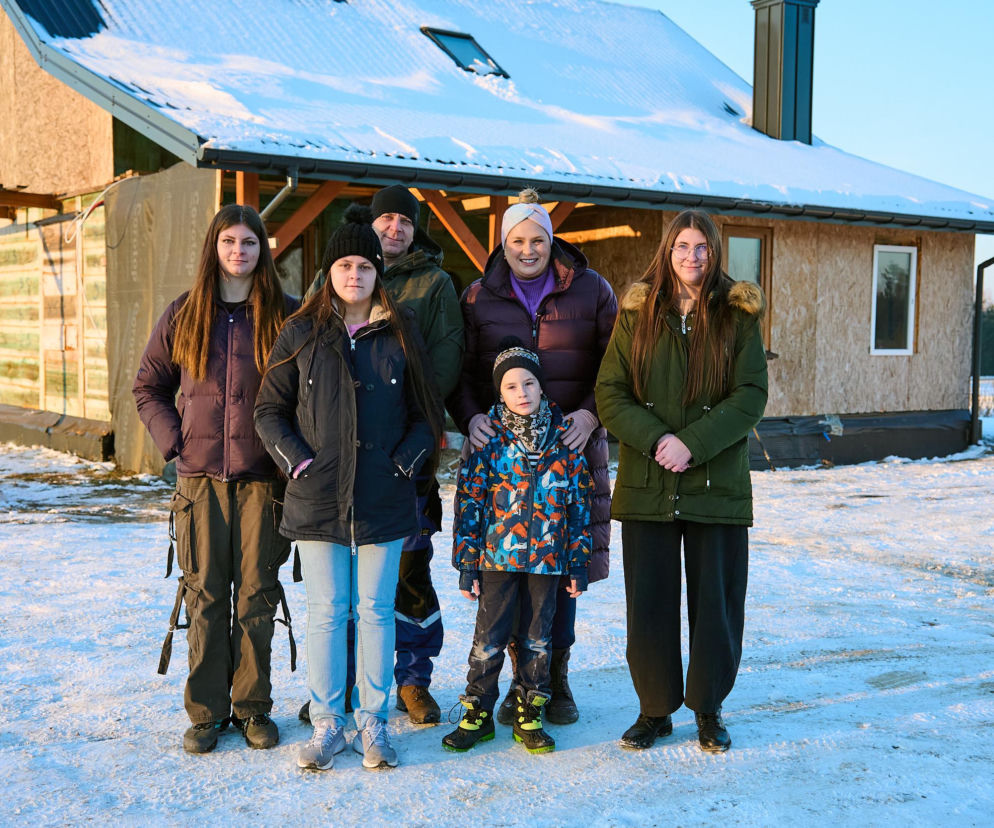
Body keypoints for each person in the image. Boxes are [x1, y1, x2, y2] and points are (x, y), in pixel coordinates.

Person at [254, 207, 441, 771]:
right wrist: (298, 462)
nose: (354, 274)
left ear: (376, 271)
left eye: (364, 264)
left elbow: (424, 416)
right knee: (329, 612)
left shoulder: (400, 329)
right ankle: (328, 723)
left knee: (376, 611)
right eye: (344, 264)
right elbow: (268, 410)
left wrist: (402, 465)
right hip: (318, 495)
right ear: (329, 272)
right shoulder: (302, 332)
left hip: (383, 496)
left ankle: (374, 723)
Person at [594, 209, 768, 753]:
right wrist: (656, 440)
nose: (692, 257)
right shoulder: (637, 314)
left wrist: (694, 442)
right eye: (682, 247)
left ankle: (709, 707)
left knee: (715, 604)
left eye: (703, 248)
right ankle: (654, 709)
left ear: (716, 253)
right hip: (649, 484)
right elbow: (611, 393)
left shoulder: (736, 317)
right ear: (666, 252)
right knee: (649, 603)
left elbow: (750, 395)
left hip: (715, 486)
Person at [448, 187, 617, 725]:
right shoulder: (478, 297)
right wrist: (471, 417)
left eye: (538, 240)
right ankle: (515, 683)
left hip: (570, 449)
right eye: (518, 240)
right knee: (506, 574)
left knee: (564, 567)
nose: (528, 249)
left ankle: (554, 680)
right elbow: (463, 371)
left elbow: (618, 367)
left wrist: (592, 416)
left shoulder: (590, 291)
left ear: (552, 241)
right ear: (504, 243)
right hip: (503, 456)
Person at [133, 203, 296, 754]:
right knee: (203, 595)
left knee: (255, 594)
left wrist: (290, 454)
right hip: (199, 481)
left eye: (250, 242)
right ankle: (206, 713)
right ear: (214, 247)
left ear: (262, 250)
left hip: (262, 481)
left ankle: (252, 708)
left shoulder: (283, 314)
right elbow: (148, 386)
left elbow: (306, 391)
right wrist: (174, 441)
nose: (239, 251)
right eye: (230, 241)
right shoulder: (186, 313)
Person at [300, 184, 463, 725]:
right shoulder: (332, 277)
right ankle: (340, 682)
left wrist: (408, 441)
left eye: (406, 220)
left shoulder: (434, 284)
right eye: (386, 218)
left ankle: (413, 680)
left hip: (403, 460)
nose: (395, 228)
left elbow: (440, 367)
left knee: (409, 573)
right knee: (344, 583)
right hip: (337, 465)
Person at [443, 338, 591, 755]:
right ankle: (478, 714)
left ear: (542, 386)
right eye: (511, 386)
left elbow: (578, 505)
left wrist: (577, 564)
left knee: (537, 639)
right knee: (488, 639)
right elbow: (469, 502)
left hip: (548, 560)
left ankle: (530, 711)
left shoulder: (565, 440)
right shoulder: (488, 439)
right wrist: (468, 564)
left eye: (529, 383)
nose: (521, 393)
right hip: (497, 559)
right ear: (499, 391)